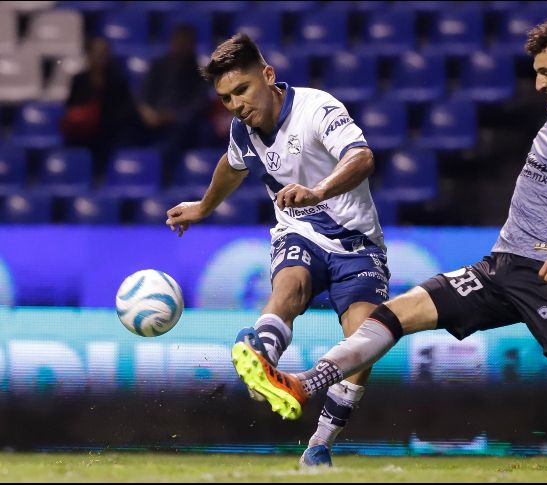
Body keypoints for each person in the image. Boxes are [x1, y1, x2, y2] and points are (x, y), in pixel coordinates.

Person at [233, 12, 547, 476]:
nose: (538, 83)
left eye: (546, 72)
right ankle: (304, 383)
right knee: (395, 313)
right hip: (502, 265)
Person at [164, 33, 390, 467]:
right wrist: (203, 207)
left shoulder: (317, 108)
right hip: (299, 230)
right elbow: (232, 165)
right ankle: (263, 360)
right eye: (226, 98)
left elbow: (362, 157)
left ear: (268, 76)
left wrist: (318, 190)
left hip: (357, 243)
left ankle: (319, 445)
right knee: (292, 284)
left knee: (367, 341)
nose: (236, 104)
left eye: (242, 91)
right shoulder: (243, 131)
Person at [61, 37, 140, 171]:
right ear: (89, 55)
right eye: (96, 53)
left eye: (103, 53)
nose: (100, 57)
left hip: (110, 132)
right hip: (83, 132)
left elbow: (125, 110)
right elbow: (71, 106)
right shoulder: (79, 80)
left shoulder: (118, 80)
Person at [137, 24, 210, 167]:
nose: (180, 47)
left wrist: (170, 116)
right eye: (177, 42)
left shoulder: (199, 73)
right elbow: (143, 95)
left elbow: (198, 106)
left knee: (185, 127)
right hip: (152, 120)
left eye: (185, 43)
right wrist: (146, 111)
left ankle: (160, 169)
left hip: (178, 124)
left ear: (192, 45)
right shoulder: (158, 66)